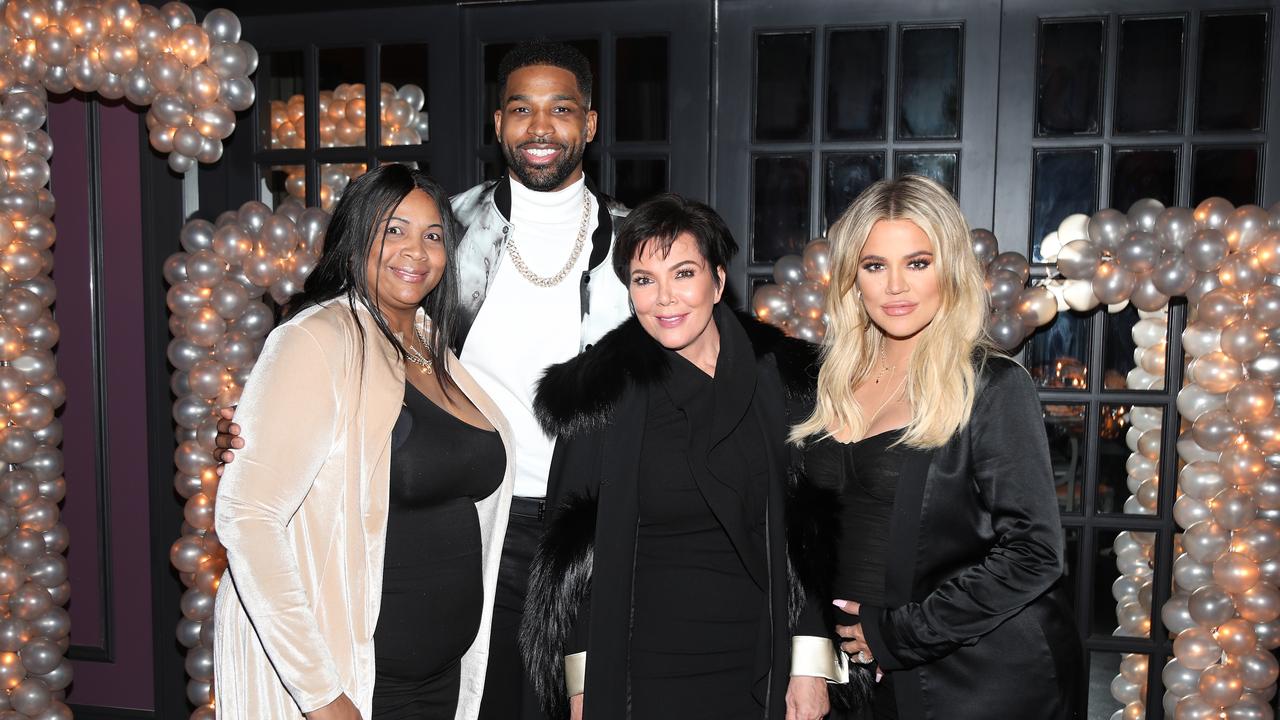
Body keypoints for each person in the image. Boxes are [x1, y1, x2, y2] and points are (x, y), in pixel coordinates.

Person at [216, 41, 633, 719]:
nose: (540, 127)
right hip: (480, 527)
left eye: (561, 110)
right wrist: (251, 437)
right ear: (497, 125)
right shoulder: (452, 225)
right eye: (521, 109)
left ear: (589, 125)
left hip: (597, 530)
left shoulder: (642, 245)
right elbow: (342, 364)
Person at [520, 194, 858, 720]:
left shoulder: (784, 384)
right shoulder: (597, 396)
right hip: (640, 669)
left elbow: (808, 534)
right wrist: (584, 685)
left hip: (758, 657)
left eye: (683, 272)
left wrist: (810, 663)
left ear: (718, 281)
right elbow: (571, 556)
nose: (664, 298)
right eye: (643, 279)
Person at [213, 165, 514, 720]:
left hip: (443, 680)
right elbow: (248, 518)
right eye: (393, 230)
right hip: (360, 687)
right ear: (356, 240)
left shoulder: (434, 347)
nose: (416, 251)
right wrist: (323, 697)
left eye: (433, 235)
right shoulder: (316, 340)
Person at [792, 176, 1080, 719]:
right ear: (853, 278)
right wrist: (810, 655)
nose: (896, 286)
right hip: (854, 680)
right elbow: (806, 539)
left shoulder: (992, 387)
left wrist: (900, 633)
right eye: (875, 265)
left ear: (949, 269)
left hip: (975, 680)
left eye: (918, 263)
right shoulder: (826, 385)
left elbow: (1035, 552)